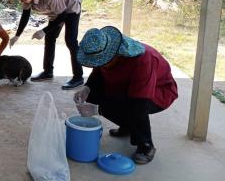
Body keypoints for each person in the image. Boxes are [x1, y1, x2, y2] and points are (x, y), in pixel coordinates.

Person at [73, 26, 178, 164]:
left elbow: (138, 104)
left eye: (101, 61)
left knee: (131, 109)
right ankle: (128, 126)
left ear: (114, 53)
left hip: (157, 93)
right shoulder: (106, 51)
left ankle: (146, 146)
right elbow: (98, 71)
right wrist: (87, 87)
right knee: (93, 95)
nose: (99, 64)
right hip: (125, 86)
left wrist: (98, 110)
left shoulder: (143, 60)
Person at [10, 0, 83, 89]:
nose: (20, 0)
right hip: (57, 12)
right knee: (50, 38)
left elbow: (63, 15)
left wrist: (44, 30)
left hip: (70, 7)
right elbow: (25, 15)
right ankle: (48, 72)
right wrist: (17, 35)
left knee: (70, 41)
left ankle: (78, 77)